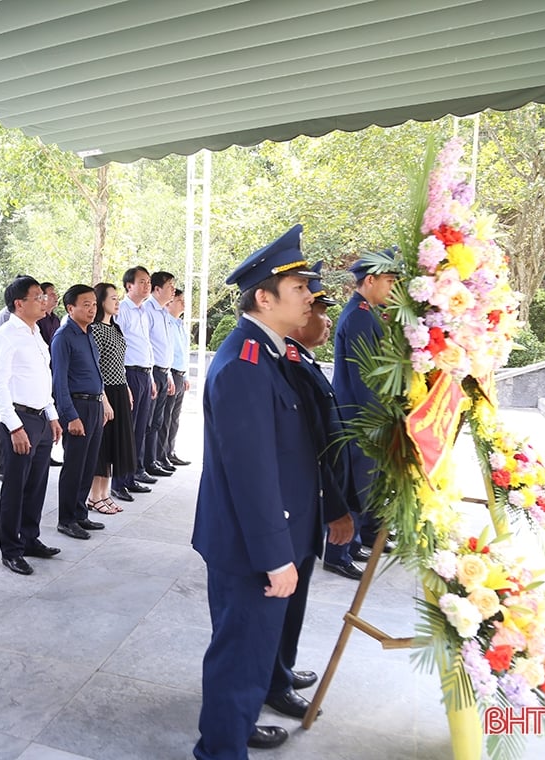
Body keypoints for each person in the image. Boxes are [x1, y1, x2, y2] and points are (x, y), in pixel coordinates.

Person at [190, 225, 324, 757]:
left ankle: (237, 723)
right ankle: (219, 749)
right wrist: (275, 555)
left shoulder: (268, 352)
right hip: (250, 545)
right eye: (298, 288)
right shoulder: (245, 365)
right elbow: (252, 473)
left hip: (271, 534)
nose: (310, 295)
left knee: (252, 651)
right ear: (264, 299)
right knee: (239, 654)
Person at [272, 262, 357, 723]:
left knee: (295, 602)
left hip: (307, 505)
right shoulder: (286, 364)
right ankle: (274, 680)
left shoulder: (300, 360)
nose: (321, 315)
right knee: (279, 605)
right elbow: (312, 447)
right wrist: (338, 509)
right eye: (315, 305)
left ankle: (281, 670)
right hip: (296, 506)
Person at [0, 276, 63, 575]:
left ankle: (30, 538)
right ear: (19, 304)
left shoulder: (35, 333)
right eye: (37, 297)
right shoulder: (6, 336)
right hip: (17, 418)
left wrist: (52, 415)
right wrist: (14, 427)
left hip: (40, 417)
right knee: (15, 487)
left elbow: (43, 378)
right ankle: (11, 549)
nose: (43, 302)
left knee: (37, 484)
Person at [332, 252, 402, 563]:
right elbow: (364, 377)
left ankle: (361, 538)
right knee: (355, 486)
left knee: (367, 483)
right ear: (370, 280)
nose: (392, 288)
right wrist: (378, 422)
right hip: (360, 416)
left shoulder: (369, 312)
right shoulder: (359, 315)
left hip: (366, 415)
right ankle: (340, 551)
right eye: (389, 281)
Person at [51, 285, 113, 540]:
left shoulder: (88, 334)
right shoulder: (63, 337)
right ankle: (66, 519)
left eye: (94, 304)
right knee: (74, 466)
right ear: (70, 308)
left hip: (94, 405)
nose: (91, 309)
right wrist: (70, 416)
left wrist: (103, 403)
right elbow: (59, 381)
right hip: (77, 406)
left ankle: (79, 514)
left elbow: (96, 374)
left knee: (88, 464)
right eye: (85, 304)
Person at [88, 282, 136, 510]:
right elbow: (96, 368)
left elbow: (119, 363)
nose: (117, 302)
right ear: (101, 301)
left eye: (118, 298)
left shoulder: (115, 328)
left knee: (115, 445)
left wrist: (126, 387)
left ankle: (105, 494)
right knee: (103, 446)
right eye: (113, 298)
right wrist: (104, 399)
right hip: (104, 392)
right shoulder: (95, 329)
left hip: (119, 389)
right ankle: (94, 496)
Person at [112, 266, 155, 497]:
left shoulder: (143, 311)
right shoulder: (123, 310)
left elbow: (145, 343)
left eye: (148, 281)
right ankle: (118, 483)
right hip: (129, 374)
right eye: (142, 281)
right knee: (126, 431)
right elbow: (119, 348)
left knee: (139, 429)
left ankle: (130, 477)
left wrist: (152, 377)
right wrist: (124, 382)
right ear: (129, 285)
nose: (146, 285)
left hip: (145, 373)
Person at [143, 271, 177, 477]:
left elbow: (166, 347)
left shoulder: (164, 312)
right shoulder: (147, 310)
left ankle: (152, 460)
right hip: (152, 371)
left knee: (158, 420)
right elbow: (146, 344)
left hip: (164, 372)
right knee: (146, 421)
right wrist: (151, 375)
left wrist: (169, 372)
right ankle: (142, 464)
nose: (173, 289)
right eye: (170, 285)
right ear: (157, 289)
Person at [158, 289, 192, 467]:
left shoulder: (179, 324)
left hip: (179, 373)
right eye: (180, 299)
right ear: (170, 303)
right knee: (165, 416)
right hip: (170, 373)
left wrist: (185, 375)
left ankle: (170, 451)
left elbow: (183, 353)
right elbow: (167, 352)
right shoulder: (167, 323)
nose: (183, 303)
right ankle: (161, 454)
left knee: (175, 418)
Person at [36, 282, 60, 346]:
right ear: (43, 297)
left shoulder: (56, 319)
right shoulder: (37, 319)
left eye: (56, 294)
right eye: (52, 294)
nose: (56, 297)